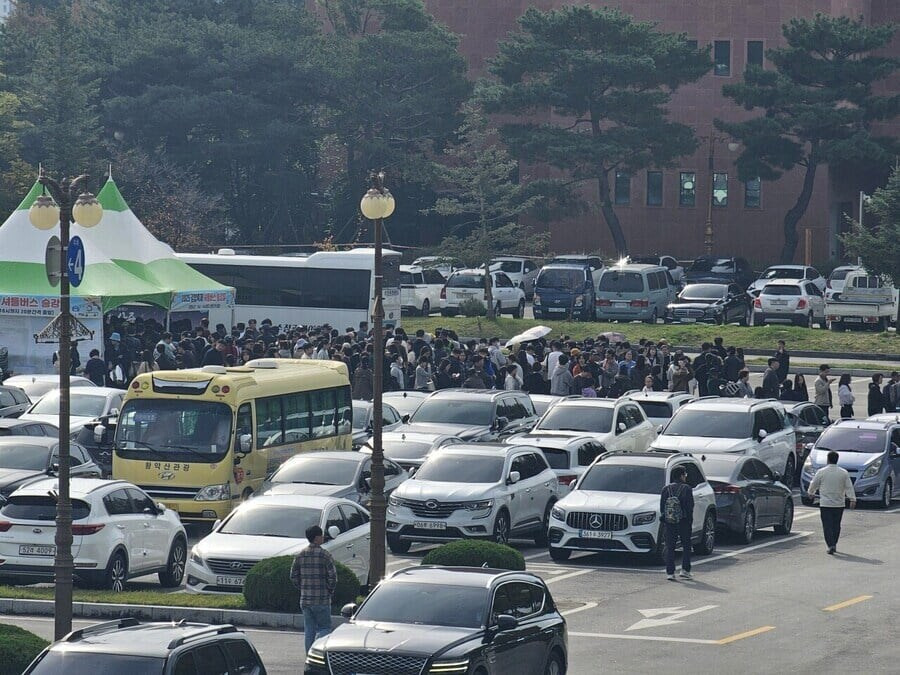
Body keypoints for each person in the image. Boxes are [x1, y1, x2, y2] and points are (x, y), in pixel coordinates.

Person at [290, 525, 337, 653]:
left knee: (309, 629)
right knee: (324, 628)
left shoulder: (300, 555)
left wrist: (302, 587)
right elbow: (333, 576)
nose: (323, 537)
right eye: (321, 535)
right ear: (317, 538)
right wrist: (330, 590)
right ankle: (319, 654)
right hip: (322, 599)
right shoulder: (325, 555)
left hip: (305, 599)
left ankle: (309, 655)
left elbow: (293, 576)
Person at [807, 450, 856, 554]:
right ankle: (834, 543)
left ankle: (830, 544)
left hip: (825, 503)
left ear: (828, 459)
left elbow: (814, 483)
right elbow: (849, 487)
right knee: (836, 525)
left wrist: (811, 492)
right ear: (837, 460)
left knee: (827, 525)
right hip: (839, 503)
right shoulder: (843, 472)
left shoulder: (821, 472)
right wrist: (852, 499)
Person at [660, 465, 694, 581]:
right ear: (681, 475)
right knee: (686, 546)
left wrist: (666, 519)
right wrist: (689, 521)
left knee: (670, 547)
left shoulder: (666, 489)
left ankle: (670, 572)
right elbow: (690, 507)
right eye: (685, 474)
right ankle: (685, 570)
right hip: (684, 521)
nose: (685, 477)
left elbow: (662, 508)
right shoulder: (687, 489)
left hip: (670, 522)